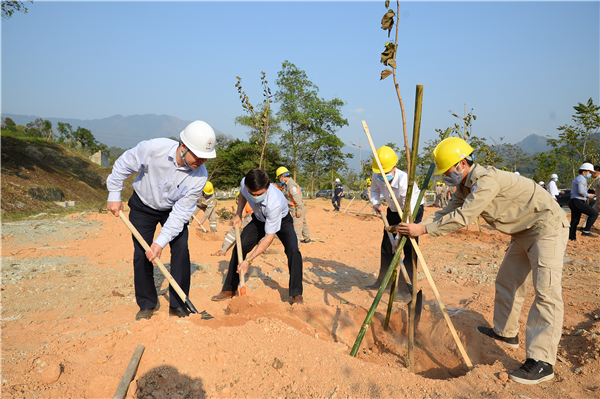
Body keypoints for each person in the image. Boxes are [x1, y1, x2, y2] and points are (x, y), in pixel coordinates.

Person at [396, 136, 569, 385]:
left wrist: (423, 231)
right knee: (507, 280)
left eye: (446, 171)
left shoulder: (486, 181)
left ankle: (542, 362)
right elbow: (448, 211)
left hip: (546, 227)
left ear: (461, 164)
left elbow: (464, 216)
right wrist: (418, 226)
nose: (445, 176)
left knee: (546, 293)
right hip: (522, 232)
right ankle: (506, 332)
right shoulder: (464, 187)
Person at [106, 120, 217, 321]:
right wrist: (114, 193)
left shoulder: (200, 176)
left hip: (172, 210)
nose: (201, 161)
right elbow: (123, 164)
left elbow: (182, 212)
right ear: (183, 146)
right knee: (142, 253)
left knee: (181, 248)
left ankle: (178, 304)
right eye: (198, 156)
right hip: (143, 206)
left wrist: (160, 242)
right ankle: (147, 304)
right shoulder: (153, 148)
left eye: (205, 158)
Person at [211, 168, 304, 304]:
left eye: (259, 194)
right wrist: (238, 214)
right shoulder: (245, 183)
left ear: (267, 187)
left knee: (293, 250)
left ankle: (296, 293)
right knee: (240, 247)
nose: (255, 197)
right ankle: (230, 289)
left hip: (283, 220)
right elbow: (243, 195)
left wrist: (248, 261)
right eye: (252, 194)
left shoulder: (275, 203)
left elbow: (269, 238)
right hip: (259, 219)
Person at [366, 146, 425, 299]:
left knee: (408, 247)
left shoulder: (405, 182)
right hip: (392, 210)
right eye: (380, 173)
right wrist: (376, 203)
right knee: (387, 246)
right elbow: (374, 190)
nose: (381, 176)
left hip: (411, 211)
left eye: (385, 173)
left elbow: (407, 215)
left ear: (395, 167)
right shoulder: (377, 174)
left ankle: (404, 287)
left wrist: (398, 237)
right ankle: (383, 281)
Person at [277, 166, 311, 244]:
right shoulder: (287, 184)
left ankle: (296, 244)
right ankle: (307, 239)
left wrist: (299, 210)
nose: (279, 179)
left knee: (297, 226)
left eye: (279, 177)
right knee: (303, 223)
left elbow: (297, 199)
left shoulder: (291, 185)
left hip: (297, 208)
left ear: (282, 176)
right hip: (298, 207)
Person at [568, 162, 598, 240]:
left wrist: (589, 193)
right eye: (590, 172)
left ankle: (572, 237)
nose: (590, 174)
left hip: (573, 201)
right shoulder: (582, 179)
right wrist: (589, 195)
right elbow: (581, 191)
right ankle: (586, 230)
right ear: (584, 172)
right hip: (578, 201)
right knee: (594, 213)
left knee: (575, 220)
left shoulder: (578, 178)